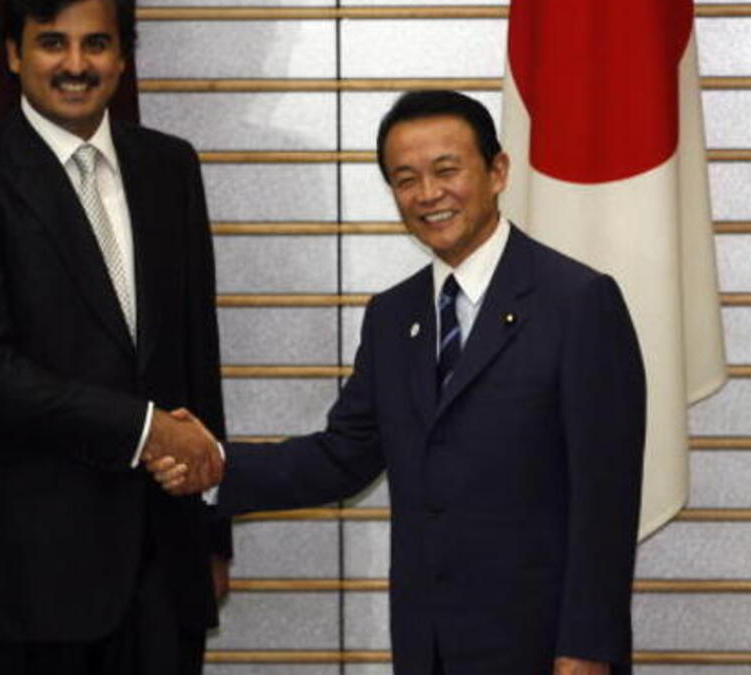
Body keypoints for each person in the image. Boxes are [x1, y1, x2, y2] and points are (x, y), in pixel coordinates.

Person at [154, 91, 646, 674]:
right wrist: (212, 464)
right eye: (405, 179)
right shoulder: (393, 316)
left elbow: (605, 503)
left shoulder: (578, 302)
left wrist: (588, 650)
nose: (428, 194)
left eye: (446, 170)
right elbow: (341, 458)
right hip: (427, 645)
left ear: (497, 172)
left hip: (541, 649)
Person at [0, 0, 228, 672]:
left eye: (97, 44)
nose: (77, 65)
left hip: (162, 571)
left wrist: (210, 532)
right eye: (53, 42)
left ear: (123, 55)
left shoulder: (172, 168)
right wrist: (146, 429)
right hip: (25, 580)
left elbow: (196, 355)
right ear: (14, 54)